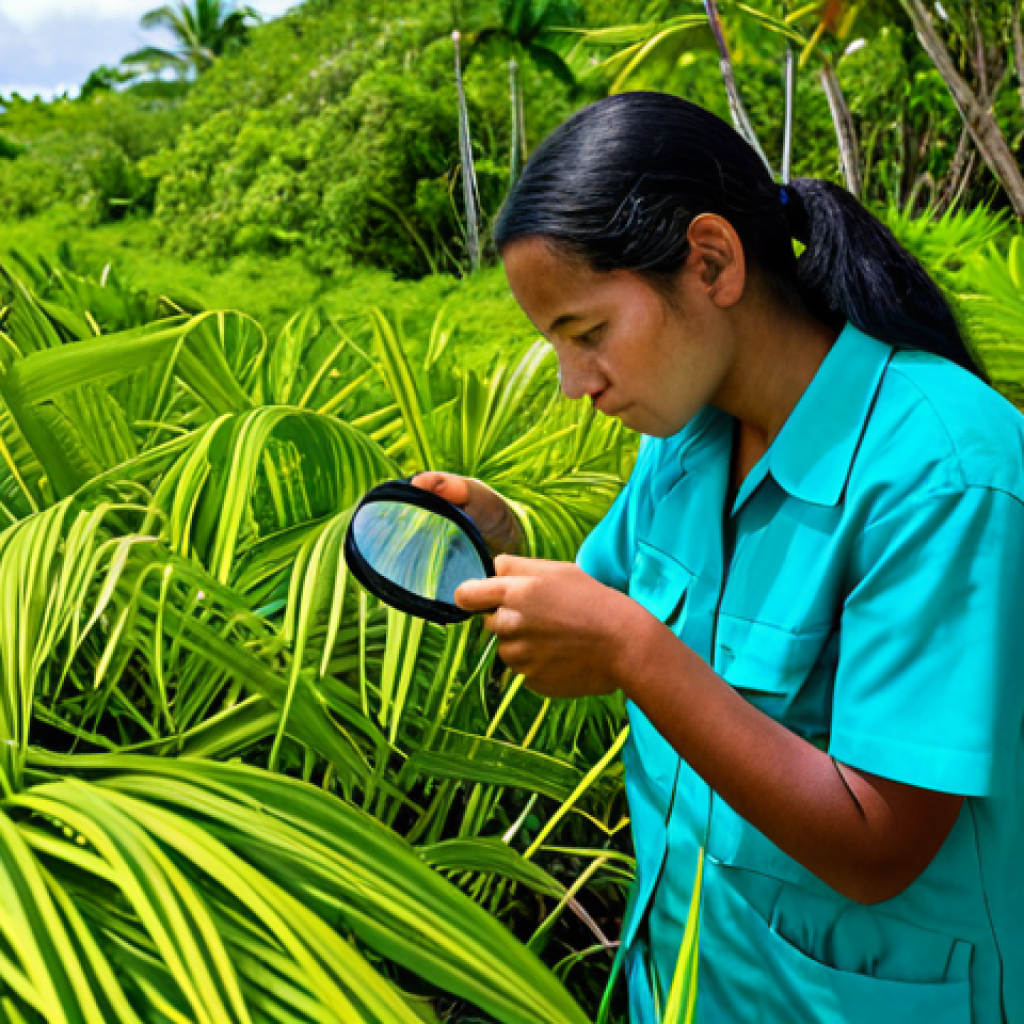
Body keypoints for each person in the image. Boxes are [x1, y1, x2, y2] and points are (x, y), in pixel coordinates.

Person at [412, 92, 1024, 1024]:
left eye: (588, 334)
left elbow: (877, 847)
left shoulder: (944, 473)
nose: (577, 385)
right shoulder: (688, 442)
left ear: (711, 262)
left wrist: (630, 651)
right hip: (690, 987)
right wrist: (505, 546)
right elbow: (606, 608)